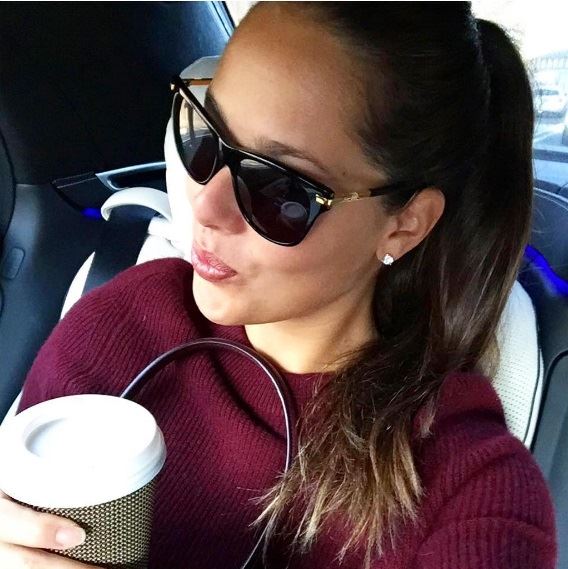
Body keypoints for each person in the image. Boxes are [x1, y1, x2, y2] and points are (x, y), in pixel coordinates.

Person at [0, 2, 557, 568]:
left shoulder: (468, 490)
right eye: (205, 135)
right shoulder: (121, 327)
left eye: (277, 187)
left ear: (404, 224)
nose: (205, 206)